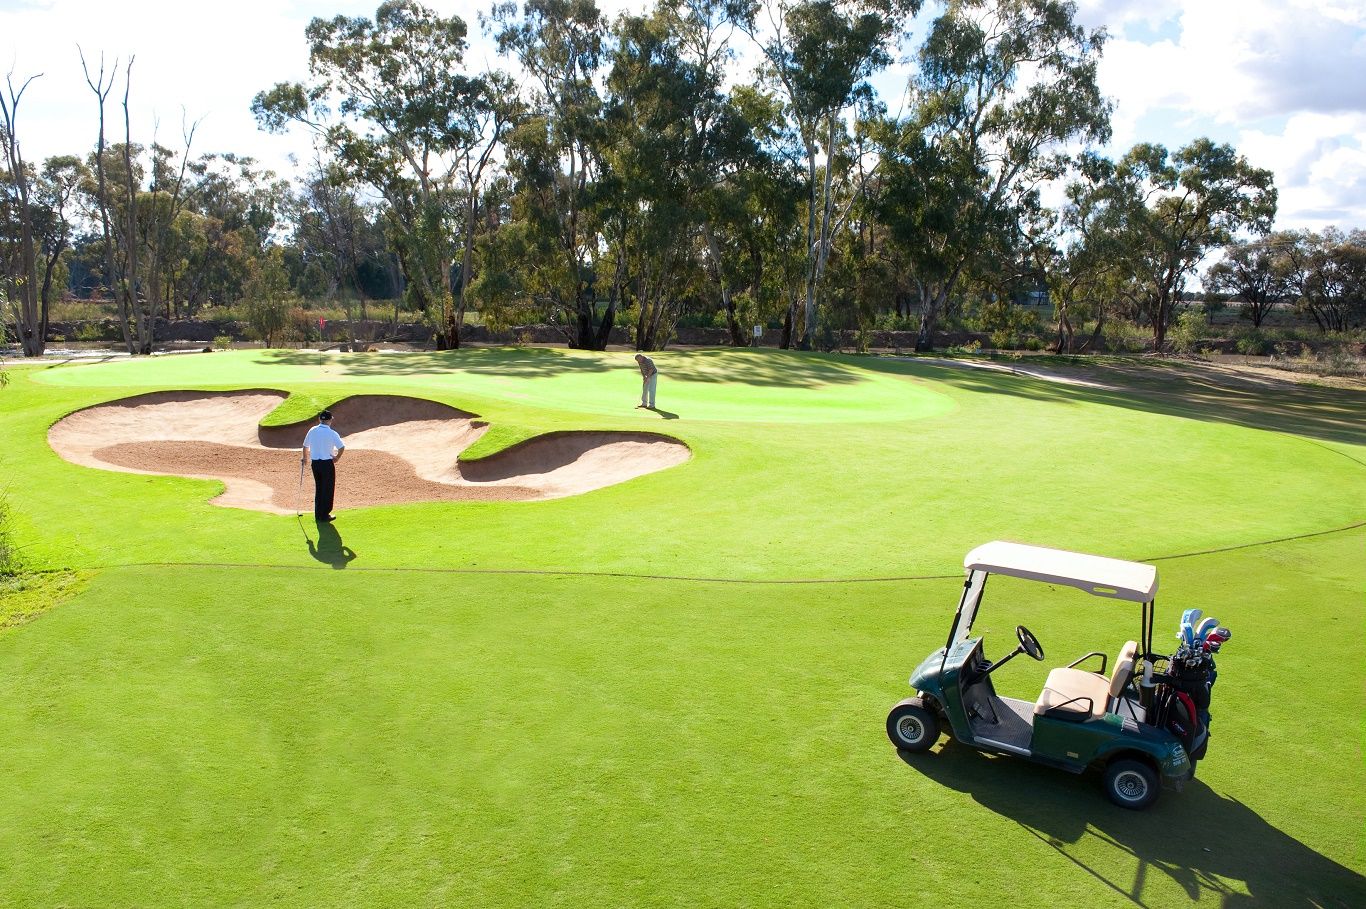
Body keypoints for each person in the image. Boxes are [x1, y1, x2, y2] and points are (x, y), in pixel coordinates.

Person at [302, 410, 345, 522]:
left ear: (320, 419)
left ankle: (318, 514)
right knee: (328, 489)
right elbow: (341, 447)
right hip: (327, 464)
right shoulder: (332, 433)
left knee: (319, 488)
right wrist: (337, 457)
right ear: (330, 420)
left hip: (315, 464)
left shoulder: (312, 430)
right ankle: (325, 514)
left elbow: (305, 446)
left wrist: (305, 458)